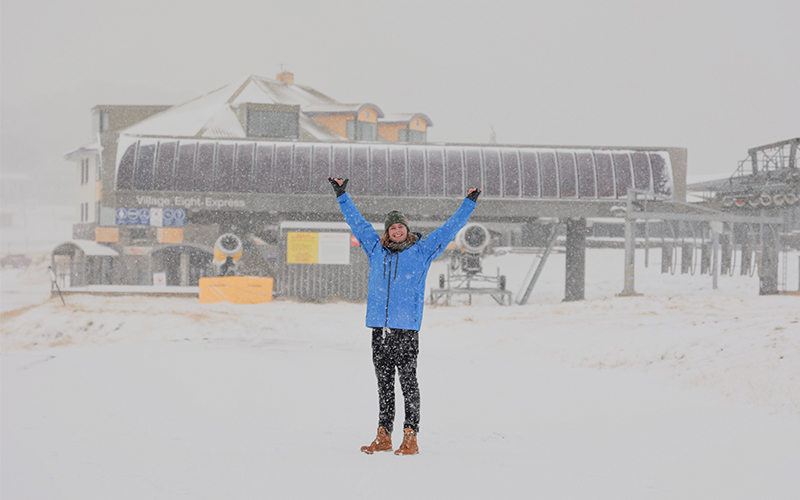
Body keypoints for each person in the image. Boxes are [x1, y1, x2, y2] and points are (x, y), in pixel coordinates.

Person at [328, 176, 481, 456]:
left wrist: (468, 203)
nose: (397, 230)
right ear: (387, 232)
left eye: (401, 226)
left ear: (406, 229)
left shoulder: (421, 251)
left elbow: (449, 230)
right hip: (380, 329)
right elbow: (357, 223)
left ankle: (410, 437)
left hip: (406, 330)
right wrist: (342, 195)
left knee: (408, 383)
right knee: (384, 385)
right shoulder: (376, 249)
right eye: (393, 227)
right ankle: (384, 435)